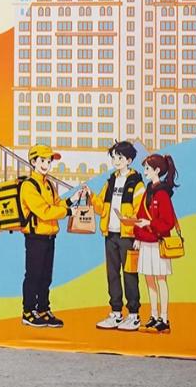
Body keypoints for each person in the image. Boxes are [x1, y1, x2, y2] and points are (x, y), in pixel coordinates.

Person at [82, 141, 146, 331]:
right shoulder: (110, 181)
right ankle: (116, 313)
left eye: (120, 157)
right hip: (110, 234)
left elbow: (141, 211)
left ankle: (133, 315)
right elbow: (101, 207)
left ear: (129, 160)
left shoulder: (137, 183)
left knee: (130, 275)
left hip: (128, 236)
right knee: (112, 274)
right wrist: (90, 195)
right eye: (114, 157)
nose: (116, 161)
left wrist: (138, 236)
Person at [19, 143, 71, 328]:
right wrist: (67, 212)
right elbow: (45, 211)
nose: (46, 165)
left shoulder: (48, 184)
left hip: (49, 237)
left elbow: (58, 203)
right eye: (42, 161)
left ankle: (43, 309)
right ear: (33, 162)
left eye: (49, 161)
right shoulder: (28, 186)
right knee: (33, 275)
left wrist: (71, 201)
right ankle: (28, 312)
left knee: (45, 277)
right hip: (35, 237)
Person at [130, 154, 179, 335]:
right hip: (145, 243)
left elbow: (168, 222)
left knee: (161, 280)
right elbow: (140, 215)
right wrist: (138, 236)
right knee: (149, 280)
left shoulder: (162, 194)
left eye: (147, 169)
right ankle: (153, 315)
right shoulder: (148, 191)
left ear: (157, 170)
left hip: (158, 243)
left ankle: (164, 318)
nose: (144, 172)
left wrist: (149, 224)